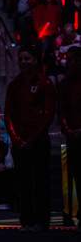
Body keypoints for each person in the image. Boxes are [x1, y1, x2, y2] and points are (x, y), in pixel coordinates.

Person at [5, 45, 56, 232]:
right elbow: (9, 114)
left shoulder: (45, 83)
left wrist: (32, 138)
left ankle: (42, 221)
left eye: (27, 58)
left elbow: (48, 114)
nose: (23, 62)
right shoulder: (14, 85)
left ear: (35, 60)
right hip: (20, 142)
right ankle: (26, 220)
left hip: (38, 141)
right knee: (23, 182)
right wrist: (17, 138)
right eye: (21, 59)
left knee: (40, 182)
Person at [59, 47, 81, 231]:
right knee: (76, 176)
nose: (69, 63)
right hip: (73, 137)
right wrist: (69, 130)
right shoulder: (65, 84)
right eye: (68, 59)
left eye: (73, 59)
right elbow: (62, 111)